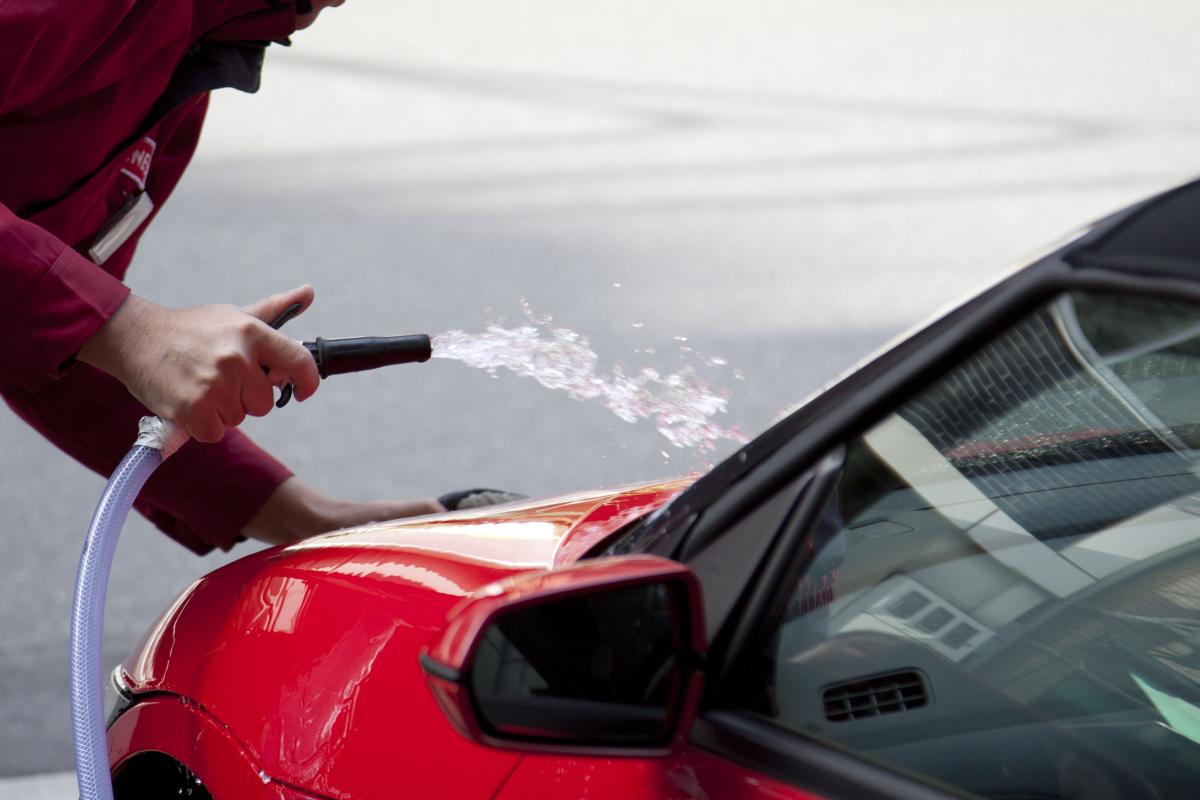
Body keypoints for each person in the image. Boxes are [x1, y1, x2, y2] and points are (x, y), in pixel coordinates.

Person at [0, 0, 510, 555]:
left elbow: (55, 339)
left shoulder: (190, 59)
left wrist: (314, 521)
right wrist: (129, 330)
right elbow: (87, 320)